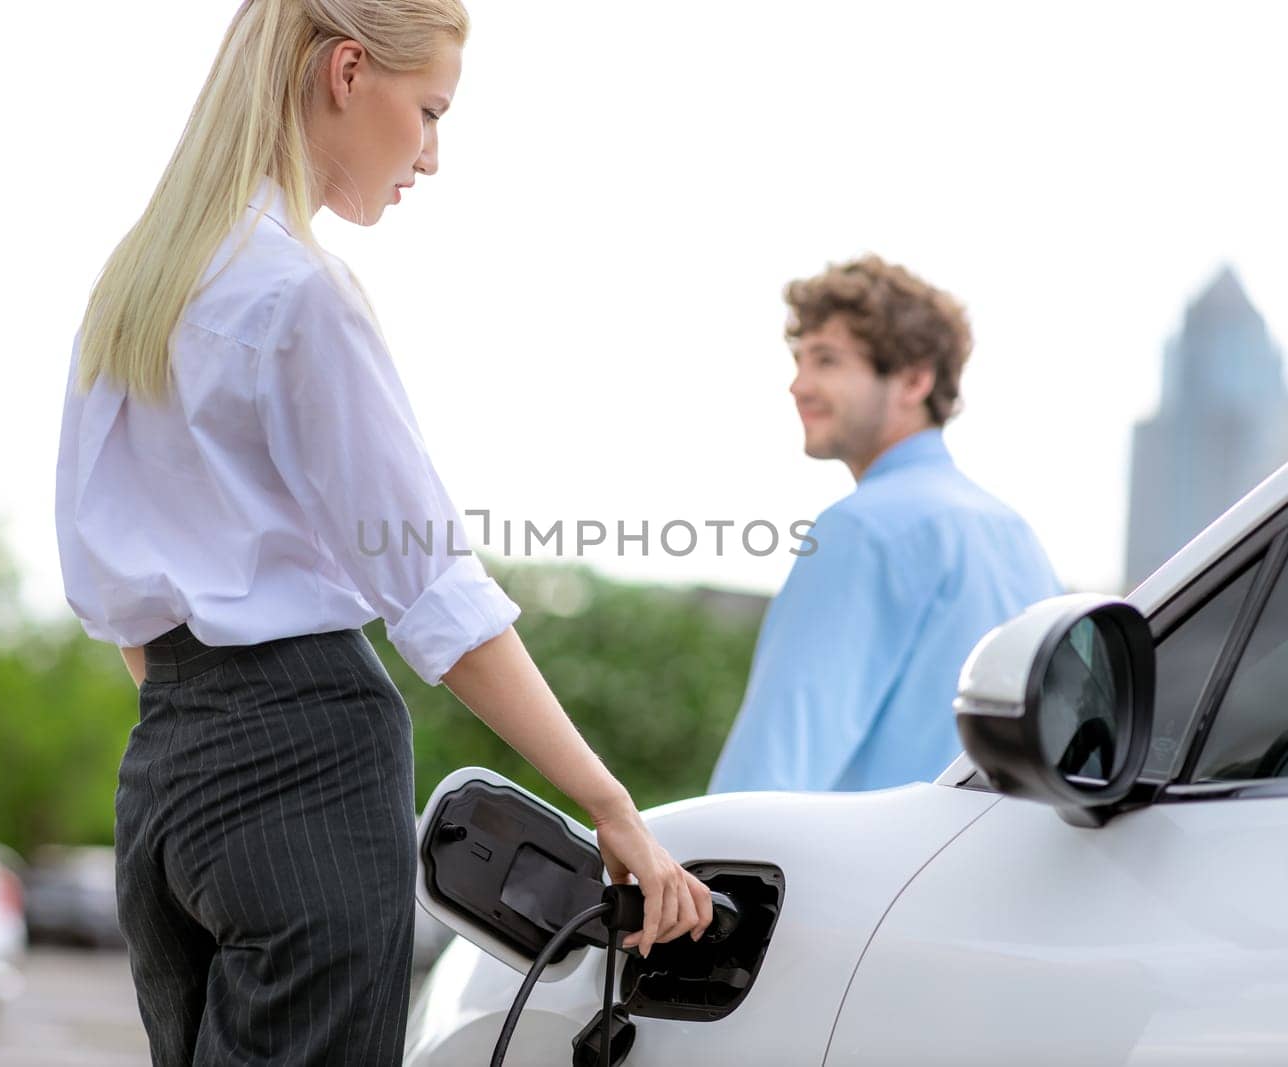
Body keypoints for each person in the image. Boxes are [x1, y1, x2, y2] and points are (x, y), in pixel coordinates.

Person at [54, 2, 710, 1063]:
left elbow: (113, 593)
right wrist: (611, 805)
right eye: (430, 111)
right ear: (347, 72)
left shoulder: (130, 292)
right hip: (304, 760)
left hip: (163, 771)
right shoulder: (298, 291)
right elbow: (436, 594)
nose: (433, 156)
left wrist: (207, 723)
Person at [709, 255, 1061, 794]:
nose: (798, 385)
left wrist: (704, 865)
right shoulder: (1014, 532)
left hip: (877, 876)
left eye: (826, 361)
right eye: (799, 360)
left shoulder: (864, 529)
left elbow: (771, 769)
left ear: (915, 379)